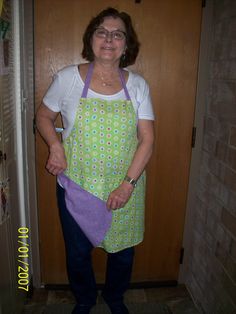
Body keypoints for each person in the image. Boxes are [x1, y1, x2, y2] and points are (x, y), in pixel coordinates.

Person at [36, 7, 155, 314]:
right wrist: (55, 146)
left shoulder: (138, 84)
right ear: (91, 39)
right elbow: (44, 116)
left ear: (126, 45)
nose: (109, 39)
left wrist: (127, 186)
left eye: (118, 34)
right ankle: (85, 299)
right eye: (102, 31)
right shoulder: (67, 79)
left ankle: (115, 298)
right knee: (77, 253)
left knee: (123, 252)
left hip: (124, 184)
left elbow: (148, 139)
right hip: (77, 185)